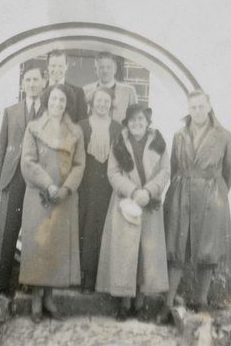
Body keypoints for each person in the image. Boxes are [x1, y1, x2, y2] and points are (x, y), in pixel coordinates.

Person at [158, 90, 231, 323]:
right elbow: (173, 166)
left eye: (201, 107)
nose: (198, 112)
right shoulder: (179, 134)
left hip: (212, 196)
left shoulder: (224, 136)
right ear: (188, 109)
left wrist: (217, 193)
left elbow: (230, 170)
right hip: (182, 193)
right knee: (176, 248)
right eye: (193, 108)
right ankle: (167, 302)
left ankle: (202, 301)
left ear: (209, 107)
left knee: (207, 250)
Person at [96, 104, 170, 322]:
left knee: (144, 255)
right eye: (133, 120)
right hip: (125, 203)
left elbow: (165, 171)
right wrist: (133, 191)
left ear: (148, 122)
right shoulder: (119, 142)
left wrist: (147, 191)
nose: (137, 123)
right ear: (127, 122)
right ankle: (123, 304)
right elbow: (113, 173)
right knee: (124, 254)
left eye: (141, 119)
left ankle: (139, 304)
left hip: (149, 203)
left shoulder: (159, 143)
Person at [19, 84, 86, 323]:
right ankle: (36, 301)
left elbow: (79, 165)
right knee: (40, 247)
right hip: (40, 197)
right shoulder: (34, 128)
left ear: (67, 103)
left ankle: (49, 299)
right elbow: (27, 162)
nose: (58, 104)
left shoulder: (75, 131)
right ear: (47, 101)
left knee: (56, 249)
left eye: (63, 100)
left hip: (64, 199)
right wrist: (48, 185)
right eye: (54, 99)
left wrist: (67, 188)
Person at [0, 64, 46, 299]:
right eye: (28, 80)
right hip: (12, 177)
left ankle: (28, 284)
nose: (32, 84)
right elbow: (2, 146)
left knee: (34, 233)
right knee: (7, 233)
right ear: (23, 85)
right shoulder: (11, 111)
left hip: (35, 180)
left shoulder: (50, 112)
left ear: (43, 83)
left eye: (36, 80)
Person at [77, 87, 123, 292]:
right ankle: (84, 278)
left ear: (111, 104)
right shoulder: (82, 126)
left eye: (106, 101)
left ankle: (100, 279)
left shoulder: (118, 129)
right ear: (92, 102)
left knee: (103, 230)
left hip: (108, 187)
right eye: (98, 100)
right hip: (85, 186)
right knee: (85, 229)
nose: (102, 104)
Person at [83, 52, 138, 123]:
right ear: (95, 69)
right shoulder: (86, 90)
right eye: (101, 67)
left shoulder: (129, 91)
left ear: (115, 69)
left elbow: (134, 119)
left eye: (108, 67)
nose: (105, 71)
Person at [46, 50, 88, 123]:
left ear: (66, 66)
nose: (56, 69)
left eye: (60, 66)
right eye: (53, 65)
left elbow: (82, 125)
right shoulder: (40, 91)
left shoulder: (78, 94)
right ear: (47, 66)